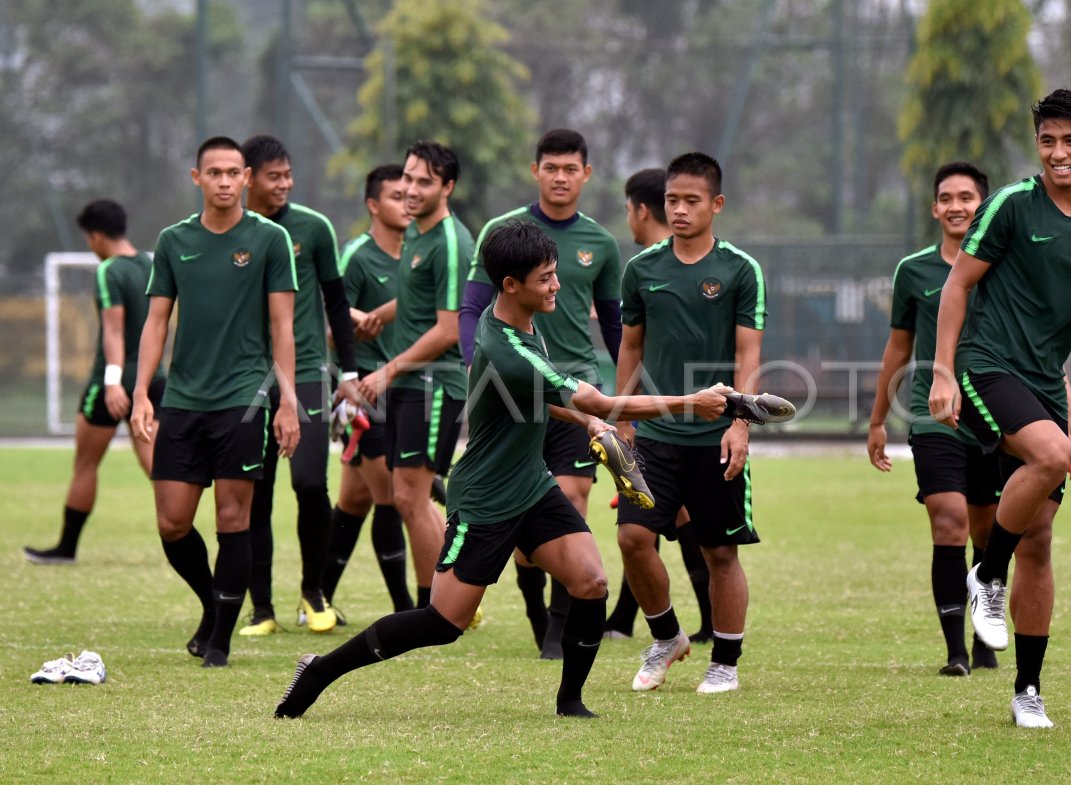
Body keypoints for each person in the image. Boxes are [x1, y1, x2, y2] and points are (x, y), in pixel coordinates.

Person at [274, 220, 730, 720]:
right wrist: (693, 400)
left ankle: (569, 702)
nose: (557, 285)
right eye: (546, 278)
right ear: (511, 285)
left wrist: (586, 421)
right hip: (486, 498)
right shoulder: (505, 347)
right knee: (443, 622)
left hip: (530, 485)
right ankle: (319, 670)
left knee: (591, 581)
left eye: (556, 274)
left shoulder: (521, 322)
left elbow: (542, 398)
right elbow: (595, 395)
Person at [928, 89, 1071, 728]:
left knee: (1041, 543)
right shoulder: (1012, 207)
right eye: (1047, 140)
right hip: (986, 365)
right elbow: (957, 285)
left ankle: (1027, 691)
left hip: (1046, 382)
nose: (1057, 153)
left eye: (1070, 140)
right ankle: (986, 576)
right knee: (1050, 457)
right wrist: (943, 372)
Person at [130, 136, 300, 668]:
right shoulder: (174, 240)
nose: (224, 181)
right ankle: (212, 605)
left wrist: (288, 399)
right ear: (196, 178)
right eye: (214, 173)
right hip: (183, 398)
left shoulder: (269, 239)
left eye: (233, 172)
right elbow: (156, 321)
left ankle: (220, 641)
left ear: (246, 177)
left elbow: (282, 326)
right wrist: (141, 391)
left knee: (233, 517)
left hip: (244, 399)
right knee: (172, 521)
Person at [459, 129, 622, 658]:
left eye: (570, 168)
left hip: (575, 391)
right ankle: (536, 614)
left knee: (571, 499)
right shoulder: (505, 235)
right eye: (550, 166)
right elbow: (472, 311)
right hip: (514, 391)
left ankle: (557, 631)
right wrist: (482, 369)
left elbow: (618, 328)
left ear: (585, 175)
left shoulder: (601, 243)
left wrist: (623, 400)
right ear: (536, 171)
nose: (559, 176)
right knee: (526, 539)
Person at [615, 152, 767, 695]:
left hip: (715, 437)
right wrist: (621, 419)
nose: (677, 210)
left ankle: (724, 661)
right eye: (671, 201)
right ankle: (667, 636)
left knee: (719, 551)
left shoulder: (740, 270)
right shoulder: (641, 270)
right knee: (634, 539)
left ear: (716, 204)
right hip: (653, 436)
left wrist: (740, 422)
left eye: (690, 201)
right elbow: (630, 348)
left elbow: (749, 355)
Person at [866, 162, 1001, 675]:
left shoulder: (1002, 264)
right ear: (934, 208)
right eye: (946, 198)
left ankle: (985, 634)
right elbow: (898, 347)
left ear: (982, 206)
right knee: (949, 523)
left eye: (967, 198)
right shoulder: (914, 270)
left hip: (993, 414)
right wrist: (878, 420)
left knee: (989, 534)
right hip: (932, 417)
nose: (956, 207)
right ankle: (956, 652)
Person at [239, 134, 359, 636]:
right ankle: (261, 608)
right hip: (246, 377)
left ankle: (314, 593)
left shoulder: (314, 227)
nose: (285, 184)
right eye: (275, 176)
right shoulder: (233, 231)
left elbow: (336, 301)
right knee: (255, 493)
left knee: (311, 483)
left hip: (307, 371)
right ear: (249, 178)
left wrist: (348, 371)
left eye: (289, 175)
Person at [357, 140, 471, 610]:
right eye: (407, 177)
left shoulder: (449, 240)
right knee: (406, 496)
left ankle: (439, 604)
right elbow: (416, 296)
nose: (410, 188)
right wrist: (378, 316)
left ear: (447, 187)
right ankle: (440, 600)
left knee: (412, 496)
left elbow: (448, 329)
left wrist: (387, 370)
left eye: (424, 181)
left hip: (434, 385)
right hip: (413, 384)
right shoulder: (418, 234)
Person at [604, 168, 714, 644]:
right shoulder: (643, 270)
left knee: (669, 522)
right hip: (653, 421)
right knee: (645, 526)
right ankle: (631, 620)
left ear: (639, 210)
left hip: (690, 422)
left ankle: (696, 624)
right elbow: (629, 344)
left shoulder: (687, 267)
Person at [23, 200, 165, 564]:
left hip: (113, 383)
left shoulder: (109, 271)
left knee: (85, 465)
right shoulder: (149, 265)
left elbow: (114, 330)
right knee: (159, 467)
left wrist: (113, 381)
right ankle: (180, 538)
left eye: (89, 239)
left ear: (97, 235)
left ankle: (66, 548)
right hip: (152, 379)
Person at [318, 164, 416, 617]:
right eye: (397, 195)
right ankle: (404, 607)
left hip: (409, 387)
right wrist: (357, 322)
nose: (407, 202)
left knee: (355, 500)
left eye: (411, 193)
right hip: (365, 393)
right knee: (390, 497)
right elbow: (329, 318)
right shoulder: (356, 255)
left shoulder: (421, 252)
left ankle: (315, 596)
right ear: (373, 205)